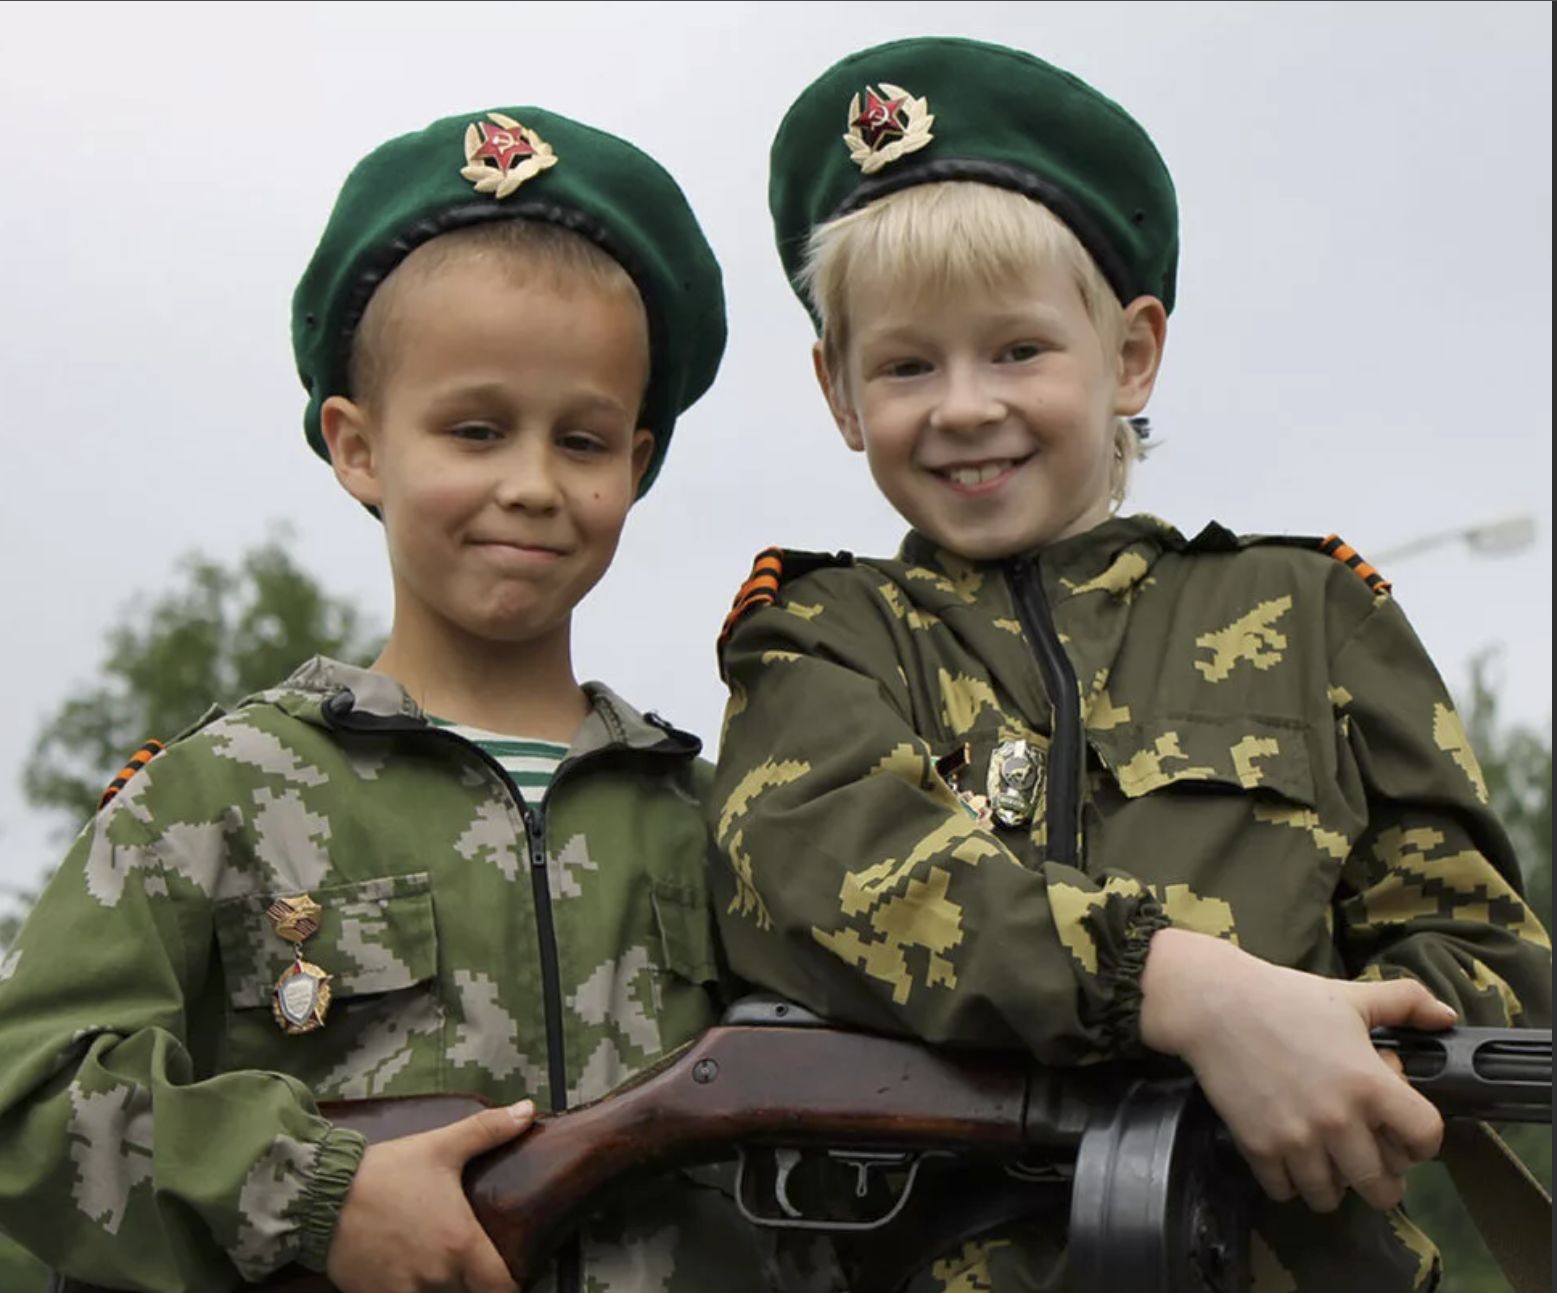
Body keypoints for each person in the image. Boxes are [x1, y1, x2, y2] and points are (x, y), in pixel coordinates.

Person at [710, 36, 1552, 1292]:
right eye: (904, 365)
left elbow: (1481, 954)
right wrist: (1183, 992)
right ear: (838, 393)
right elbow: (817, 871)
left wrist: (1323, 1050)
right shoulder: (826, 633)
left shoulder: (1309, 612)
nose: (962, 406)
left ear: (1132, 356)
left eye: (1018, 351)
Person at [0, 106, 777, 1293]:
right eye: (475, 429)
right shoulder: (222, 795)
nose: (530, 484)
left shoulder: (720, 822)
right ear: (358, 447)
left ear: (639, 461)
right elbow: (28, 1090)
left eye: (581, 439)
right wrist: (309, 1194)